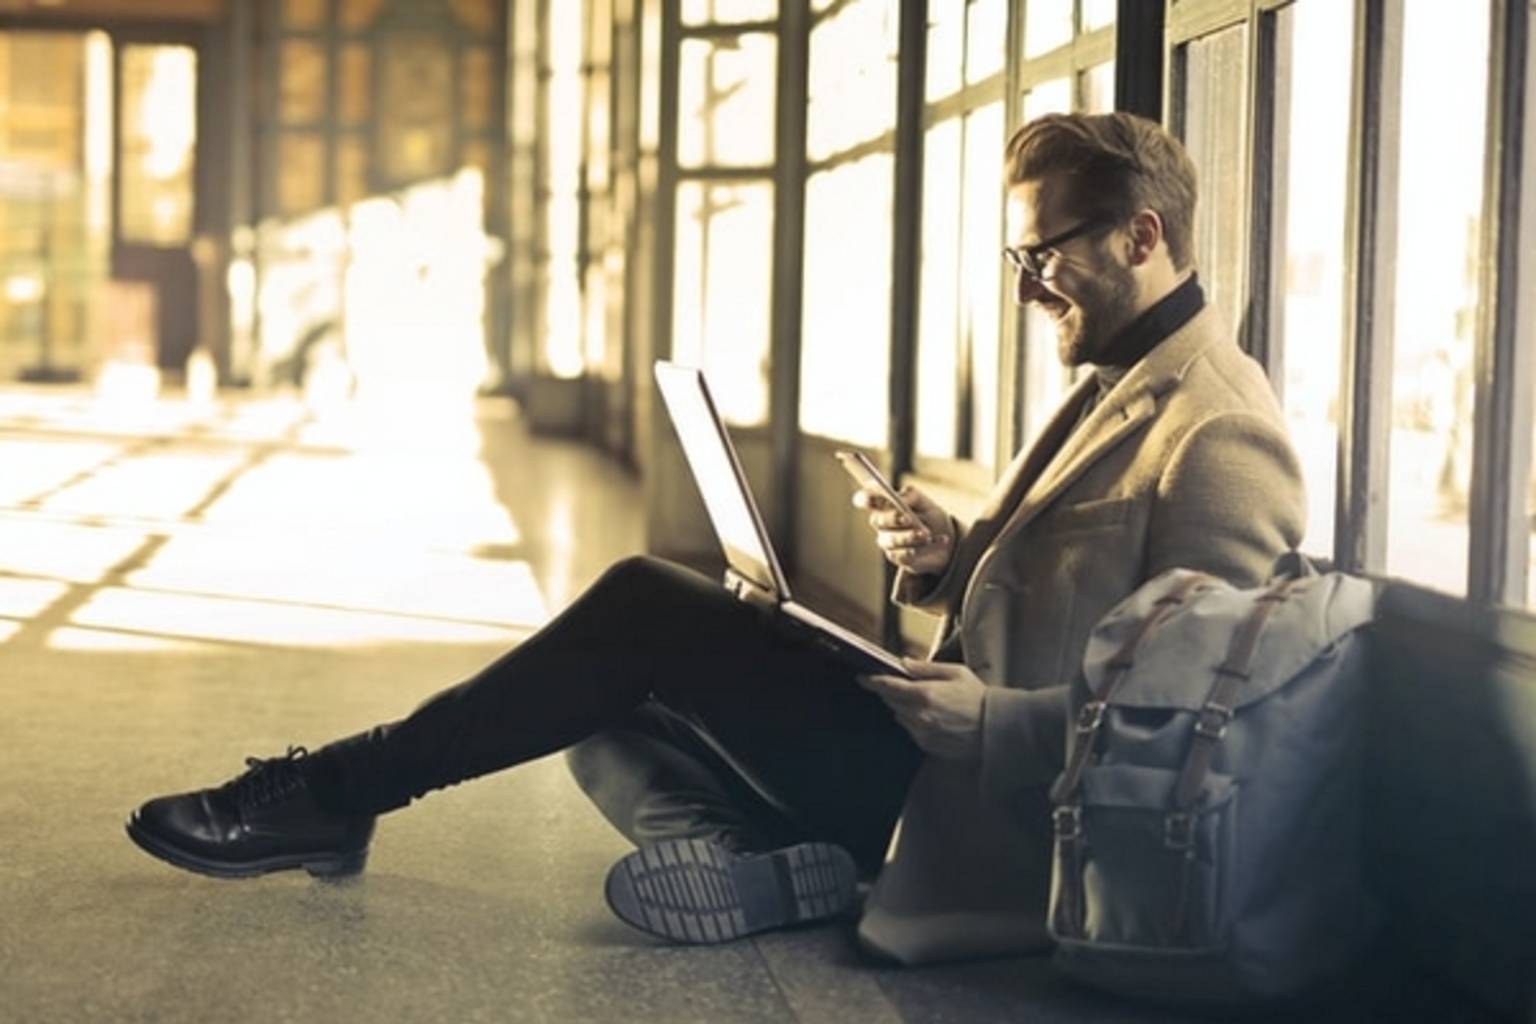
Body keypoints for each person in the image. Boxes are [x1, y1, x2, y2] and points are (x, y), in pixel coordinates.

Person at [126, 112, 1303, 954]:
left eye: (1043, 255)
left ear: (1142, 237)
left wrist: (994, 721)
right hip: (933, 749)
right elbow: (1078, 601)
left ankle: (337, 790)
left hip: (990, 801)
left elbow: (1206, 727)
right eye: (1017, 256)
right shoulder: (1120, 376)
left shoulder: (1219, 431)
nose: (1025, 285)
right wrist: (955, 558)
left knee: (640, 607)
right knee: (597, 707)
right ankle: (770, 862)